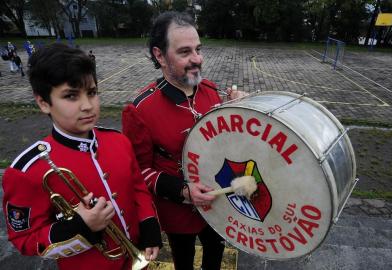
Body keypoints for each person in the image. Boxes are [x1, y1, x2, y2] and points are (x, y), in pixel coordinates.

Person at [2, 43, 162, 270]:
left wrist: (149, 226)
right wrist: (78, 226)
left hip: (137, 259)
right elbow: (24, 240)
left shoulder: (119, 141)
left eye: (92, 92)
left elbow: (138, 188)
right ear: (43, 103)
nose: (87, 106)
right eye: (71, 96)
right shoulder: (26, 171)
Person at [122, 11, 246, 270]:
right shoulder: (139, 109)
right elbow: (137, 172)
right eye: (185, 52)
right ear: (160, 55)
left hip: (218, 199)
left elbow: (226, 146)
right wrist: (182, 190)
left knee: (214, 252)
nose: (197, 59)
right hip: (177, 211)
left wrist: (239, 112)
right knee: (184, 260)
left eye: (198, 49)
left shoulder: (211, 90)